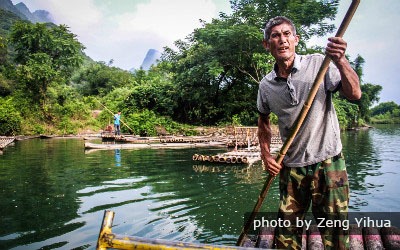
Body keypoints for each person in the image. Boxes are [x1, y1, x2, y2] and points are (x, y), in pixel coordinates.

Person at [257, 16, 361, 249]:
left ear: (296, 39)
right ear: (267, 44)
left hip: (328, 164)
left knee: (335, 237)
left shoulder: (318, 64)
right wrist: (266, 155)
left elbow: (354, 94)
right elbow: (263, 119)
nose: (281, 40)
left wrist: (341, 60)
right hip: (291, 168)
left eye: (286, 34)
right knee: (285, 236)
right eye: (275, 36)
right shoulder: (266, 85)